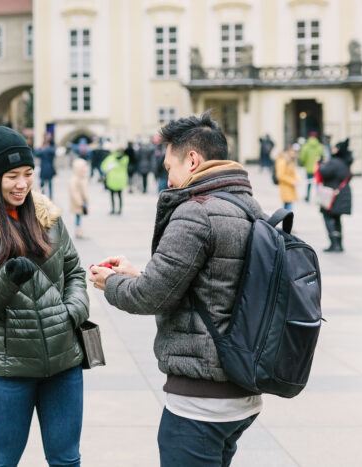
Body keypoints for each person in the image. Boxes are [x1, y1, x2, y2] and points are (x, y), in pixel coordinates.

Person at [89, 111, 263, 466]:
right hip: (242, 389)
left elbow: (150, 297)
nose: (167, 178)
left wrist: (111, 283)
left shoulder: (196, 212)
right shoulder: (248, 205)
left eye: (169, 167)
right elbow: (211, 286)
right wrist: (138, 274)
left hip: (201, 397)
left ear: (193, 160)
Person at [0, 126, 89, 467]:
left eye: (27, 174)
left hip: (65, 366)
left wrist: (73, 312)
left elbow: (75, 272)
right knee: (2, 461)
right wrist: (9, 278)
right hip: (9, 371)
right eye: (12, 176)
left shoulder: (47, 217)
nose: (22, 184)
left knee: (67, 460)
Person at [318, 139, 353, 251]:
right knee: (337, 219)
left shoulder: (334, 162)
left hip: (332, 195)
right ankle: (339, 244)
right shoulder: (346, 162)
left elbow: (324, 172)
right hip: (343, 193)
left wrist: (320, 164)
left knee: (328, 217)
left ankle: (334, 243)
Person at [101, 147, 129, 215]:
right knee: (120, 195)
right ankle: (120, 210)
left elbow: (103, 167)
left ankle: (113, 209)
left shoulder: (110, 158)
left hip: (112, 179)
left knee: (112, 195)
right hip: (121, 179)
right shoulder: (125, 158)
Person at [299, 131, 324, 202]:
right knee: (317, 183)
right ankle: (318, 198)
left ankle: (307, 197)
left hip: (309, 168)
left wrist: (305, 164)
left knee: (309, 183)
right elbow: (322, 156)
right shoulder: (320, 146)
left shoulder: (306, 146)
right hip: (317, 168)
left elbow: (302, 157)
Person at [69, 157, 89, 239]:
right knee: (78, 217)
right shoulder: (75, 179)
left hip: (81, 201)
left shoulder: (81, 178)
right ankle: (78, 232)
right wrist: (80, 202)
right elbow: (74, 193)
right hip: (78, 202)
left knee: (79, 217)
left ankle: (79, 231)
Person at [275, 146, 300, 211]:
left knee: (287, 206)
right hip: (285, 186)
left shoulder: (290, 160)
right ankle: (287, 220)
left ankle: (286, 220)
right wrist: (292, 181)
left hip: (290, 187)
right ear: (288, 152)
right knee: (288, 207)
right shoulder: (282, 161)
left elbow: (292, 172)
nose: (294, 153)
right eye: (293, 151)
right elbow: (280, 175)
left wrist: (297, 178)